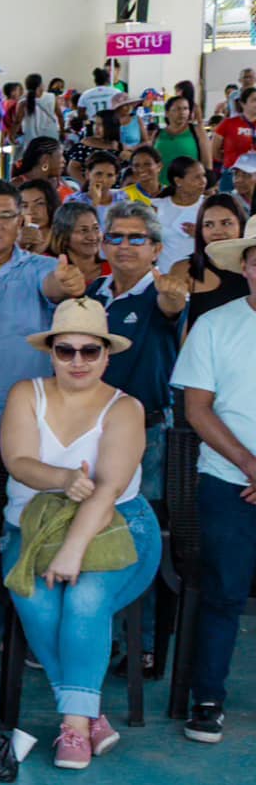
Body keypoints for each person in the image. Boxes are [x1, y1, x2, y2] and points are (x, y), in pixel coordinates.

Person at [0, 298, 161, 770]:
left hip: (116, 525)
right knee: (34, 596)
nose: (77, 360)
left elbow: (108, 488)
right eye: (65, 350)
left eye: (90, 350)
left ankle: (72, 726)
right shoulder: (25, 393)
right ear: (50, 353)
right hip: (33, 526)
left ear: (106, 356)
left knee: (85, 598)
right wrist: (63, 479)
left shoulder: (125, 407)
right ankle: (89, 714)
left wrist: (72, 551)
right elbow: (19, 461)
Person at [172, 215, 256, 742]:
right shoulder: (214, 325)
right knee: (223, 591)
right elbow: (197, 409)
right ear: (246, 267)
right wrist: (250, 464)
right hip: (228, 478)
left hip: (239, 474)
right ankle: (207, 698)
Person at [0, 178, 72, 438]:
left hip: (26, 422)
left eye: (6, 216)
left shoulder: (43, 269)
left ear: (20, 222)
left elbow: (54, 288)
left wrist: (65, 285)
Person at [89, 201, 187, 510]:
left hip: (147, 430)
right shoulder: (94, 291)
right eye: (115, 237)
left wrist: (172, 298)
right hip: (91, 428)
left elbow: (172, 307)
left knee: (140, 517)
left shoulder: (163, 291)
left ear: (156, 249)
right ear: (104, 245)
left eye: (136, 238)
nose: (124, 246)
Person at [169, 193, 251, 330]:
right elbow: (170, 317)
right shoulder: (183, 269)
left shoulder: (252, 268)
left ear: (241, 225)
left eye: (226, 223)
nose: (217, 231)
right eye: (208, 225)